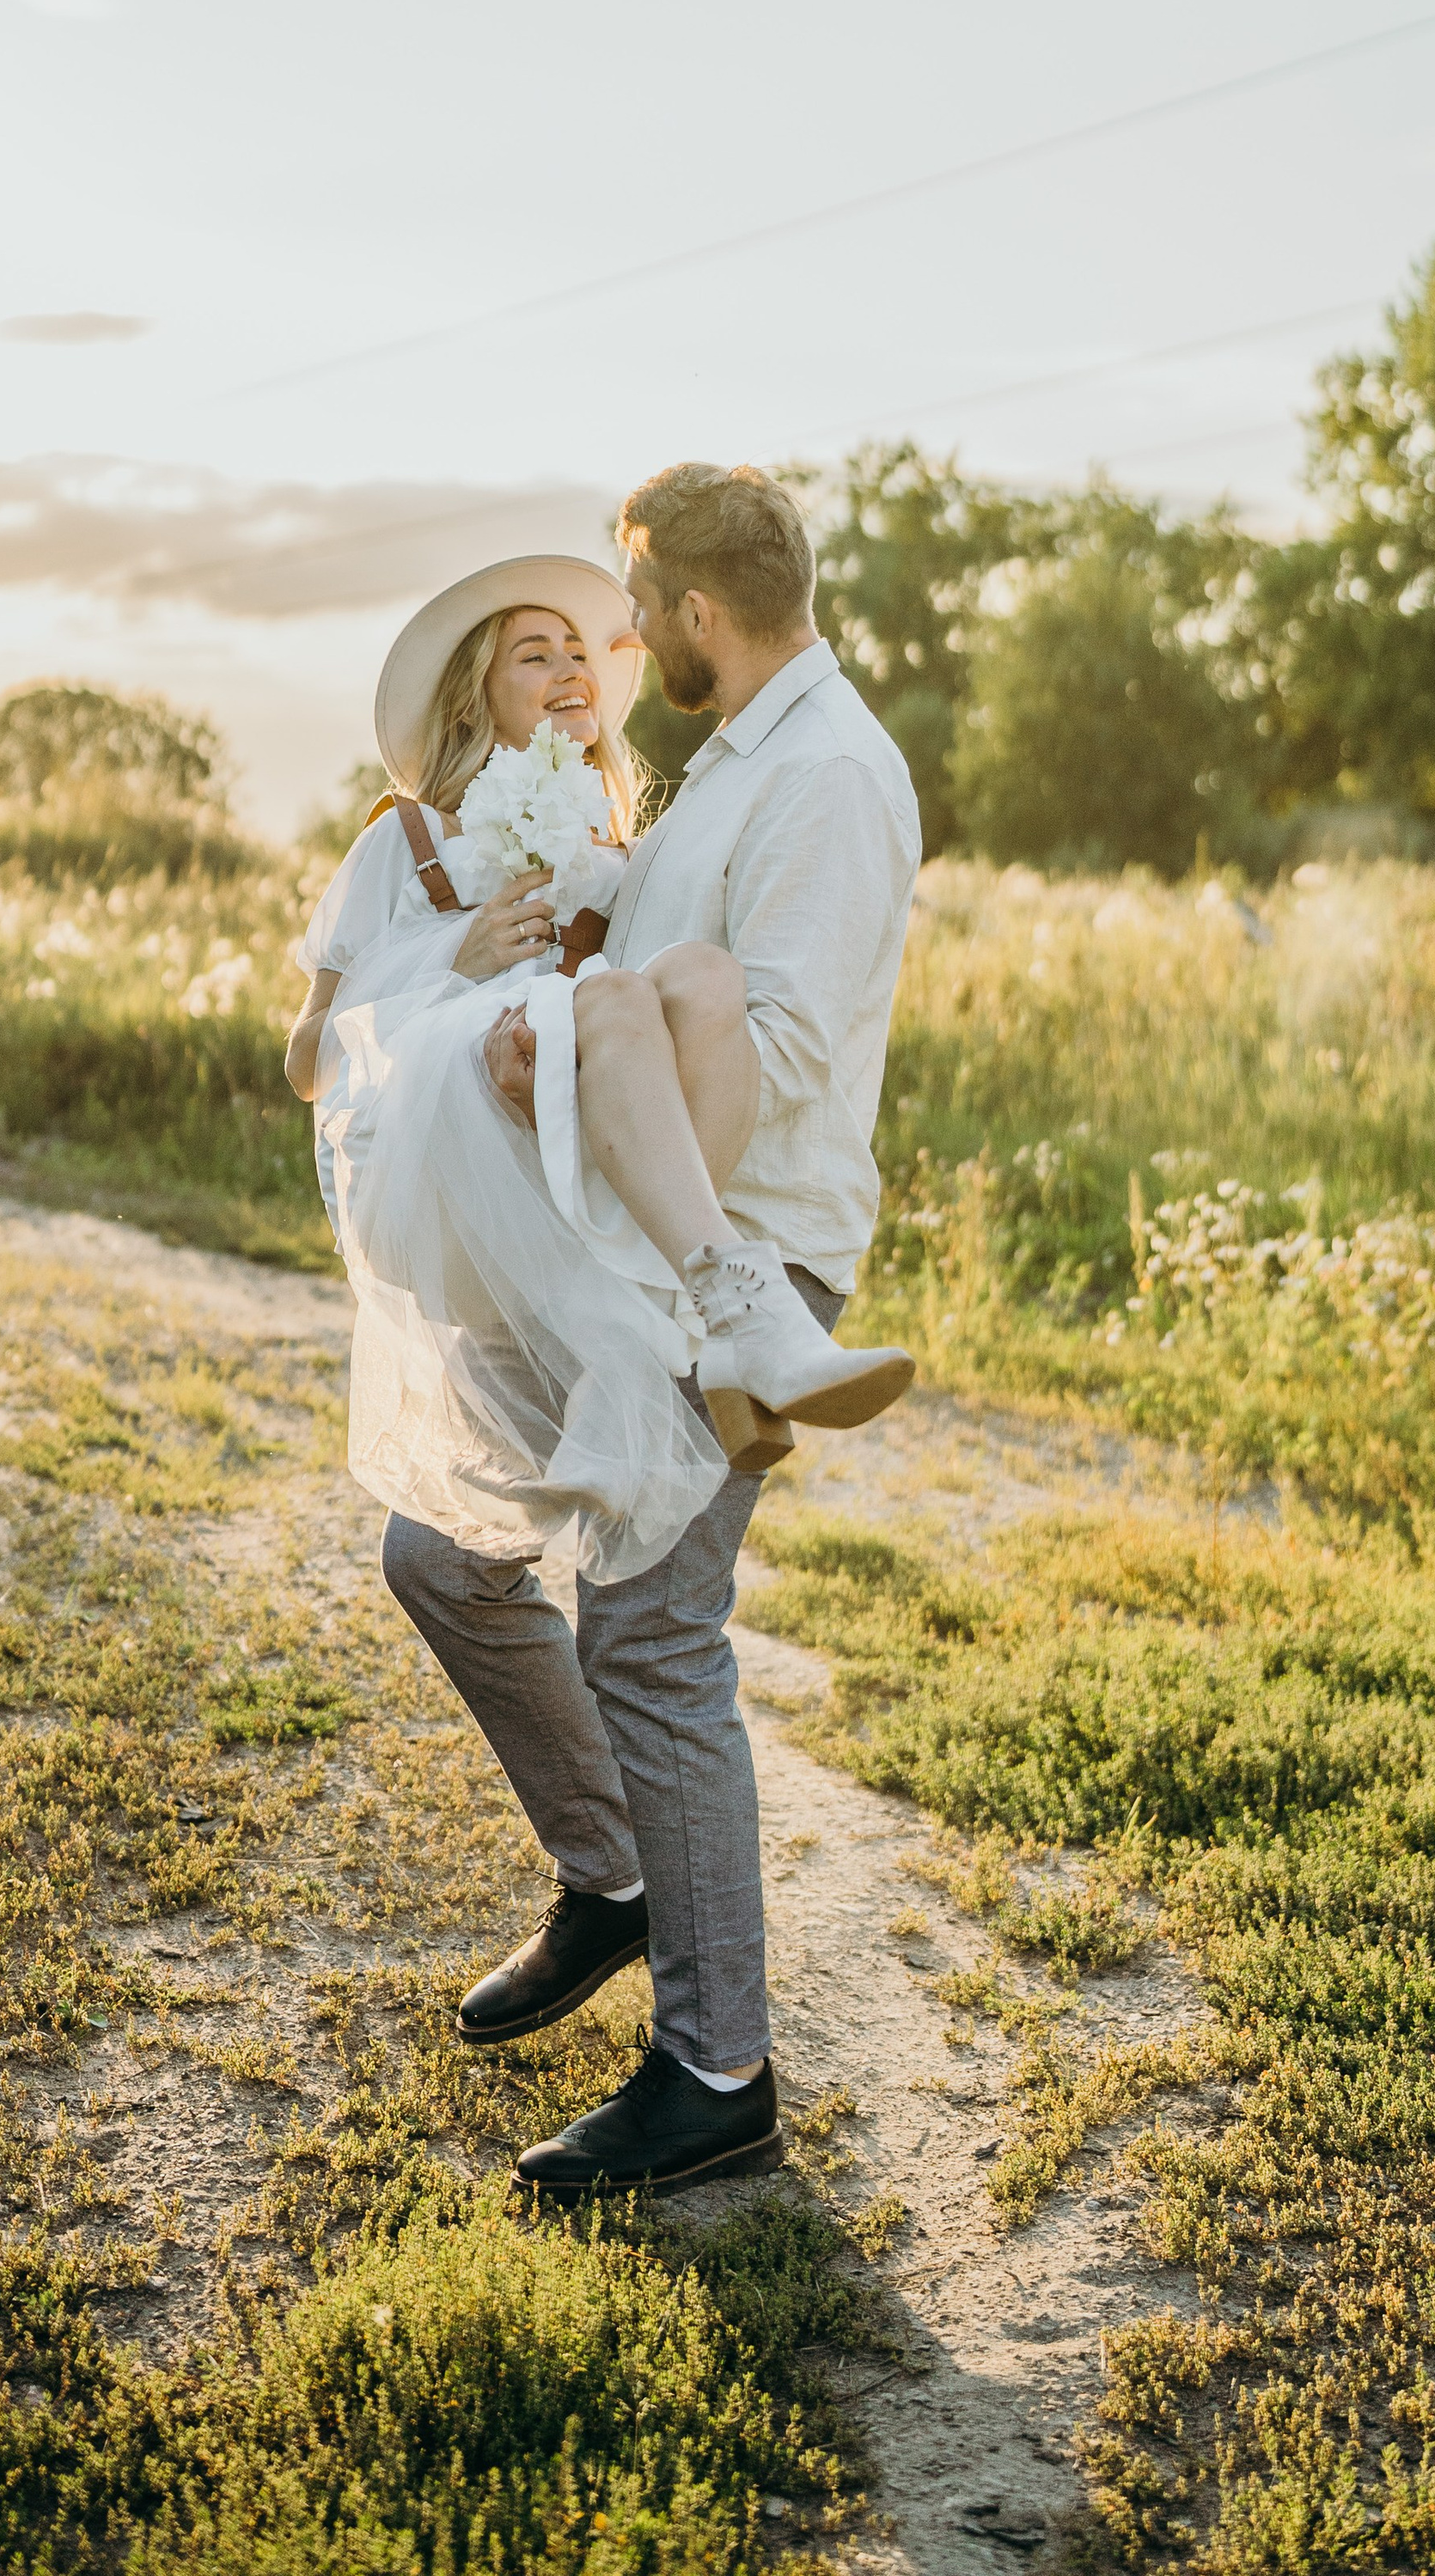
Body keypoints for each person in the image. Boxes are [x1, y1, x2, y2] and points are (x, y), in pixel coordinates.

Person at [287, 479, 919, 2193]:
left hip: (739, 1259)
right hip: (620, 1238)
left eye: (638, 618)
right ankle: (614, 1877)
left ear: (695, 613)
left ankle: (713, 2070)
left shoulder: (828, 780)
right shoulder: (728, 764)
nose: (626, 654)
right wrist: (534, 1041)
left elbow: (767, 1053)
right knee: (444, 1555)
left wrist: (575, 1063)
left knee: (646, 1635)